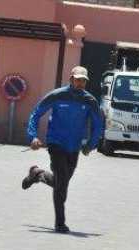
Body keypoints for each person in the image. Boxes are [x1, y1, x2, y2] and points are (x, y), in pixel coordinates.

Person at [21, 66, 103, 233]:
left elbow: (98, 124)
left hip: (74, 146)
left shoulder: (90, 101)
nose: (80, 83)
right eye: (78, 79)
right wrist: (33, 136)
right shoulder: (57, 95)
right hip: (55, 142)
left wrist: (91, 145)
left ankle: (37, 174)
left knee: (61, 182)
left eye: (83, 81)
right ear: (71, 79)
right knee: (63, 182)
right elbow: (36, 113)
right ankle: (60, 222)